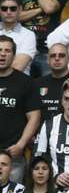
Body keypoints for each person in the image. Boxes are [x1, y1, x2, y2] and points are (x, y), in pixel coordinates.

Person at [0, 37, 40, 182]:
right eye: (0, 50)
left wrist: (21, 144)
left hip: (13, 155)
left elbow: (34, 117)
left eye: (7, 50)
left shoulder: (25, 82)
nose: (3, 54)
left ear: (14, 55)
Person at [0, 0, 36, 73]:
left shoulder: (28, 35)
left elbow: (18, 66)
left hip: (17, 82)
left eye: (13, 9)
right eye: (4, 8)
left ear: (20, 9)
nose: (8, 12)